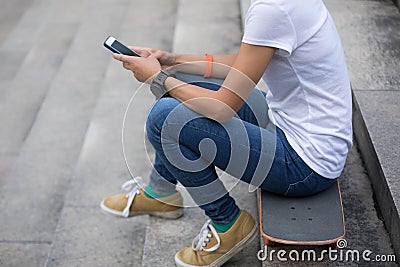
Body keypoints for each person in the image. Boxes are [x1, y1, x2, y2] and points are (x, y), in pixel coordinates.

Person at [100, 0, 353, 266]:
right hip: (290, 124)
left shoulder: (273, 8)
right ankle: (161, 192)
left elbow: (221, 108)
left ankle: (228, 224)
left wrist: (159, 78)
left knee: (164, 118)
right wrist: (171, 61)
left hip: (304, 164)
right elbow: (241, 64)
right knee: (183, 84)